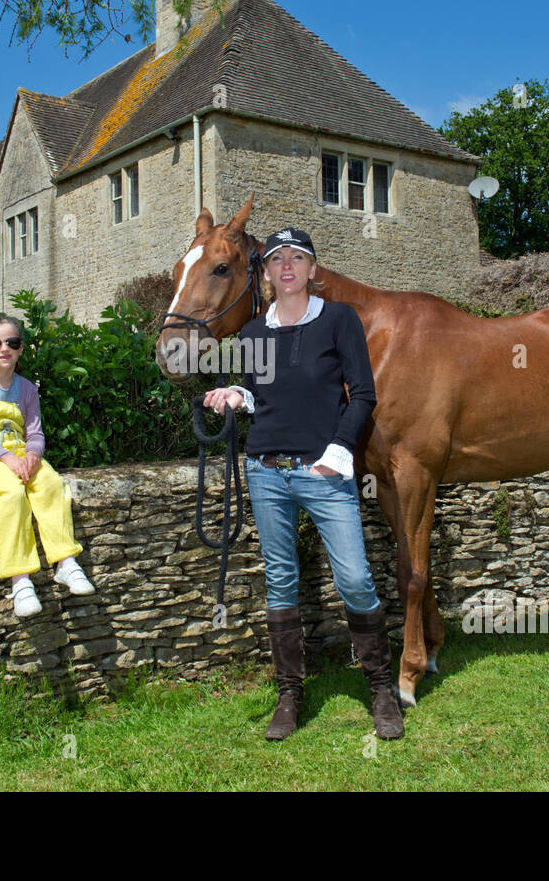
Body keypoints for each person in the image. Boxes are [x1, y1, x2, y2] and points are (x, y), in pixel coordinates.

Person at [202, 228, 403, 740]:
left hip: (325, 471)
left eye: (297, 258)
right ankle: (289, 695)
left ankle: (381, 688)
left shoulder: (339, 320)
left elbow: (362, 394)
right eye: (277, 259)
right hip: (266, 472)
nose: (286, 266)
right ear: (266, 273)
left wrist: (338, 452)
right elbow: (258, 393)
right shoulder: (252, 335)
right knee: (281, 581)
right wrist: (233, 396)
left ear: (313, 270)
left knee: (355, 579)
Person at [0, 314, 95, 617]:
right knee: (11, 493)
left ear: (20, 348)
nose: (4, 348)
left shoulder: (28, 389)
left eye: (11, 342)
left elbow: (35, 432)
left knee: (51, 484)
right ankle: (20, 581)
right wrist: (6, 458)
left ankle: (66, 563)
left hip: (19, 453)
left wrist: (32, 455)